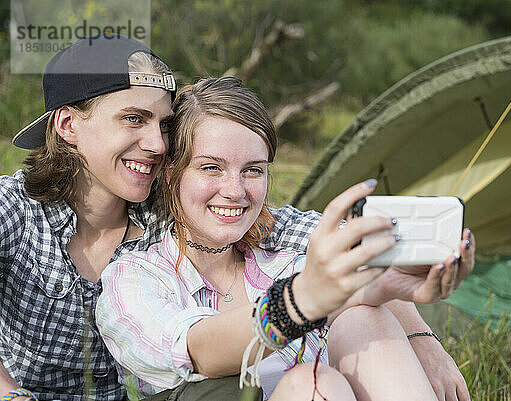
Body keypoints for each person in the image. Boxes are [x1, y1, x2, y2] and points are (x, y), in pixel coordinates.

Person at [96, 77, 476, 401]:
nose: (235, 190)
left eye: (253, 171)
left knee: (364, 319)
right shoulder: (133, 277)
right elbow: (200, 349)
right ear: (170, 173)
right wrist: (303, 299)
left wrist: (391, 290)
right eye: (211, 168)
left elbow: (349, 272)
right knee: (310, 382)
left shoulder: (281, 247)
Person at [0, 35, 321, 401]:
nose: (158, 144)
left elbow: (281, 226)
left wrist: (364, 241)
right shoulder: (15, 210)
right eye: (134, 119)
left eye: (164, 124)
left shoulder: (171, 207)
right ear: (69, 125)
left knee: (222, 385)